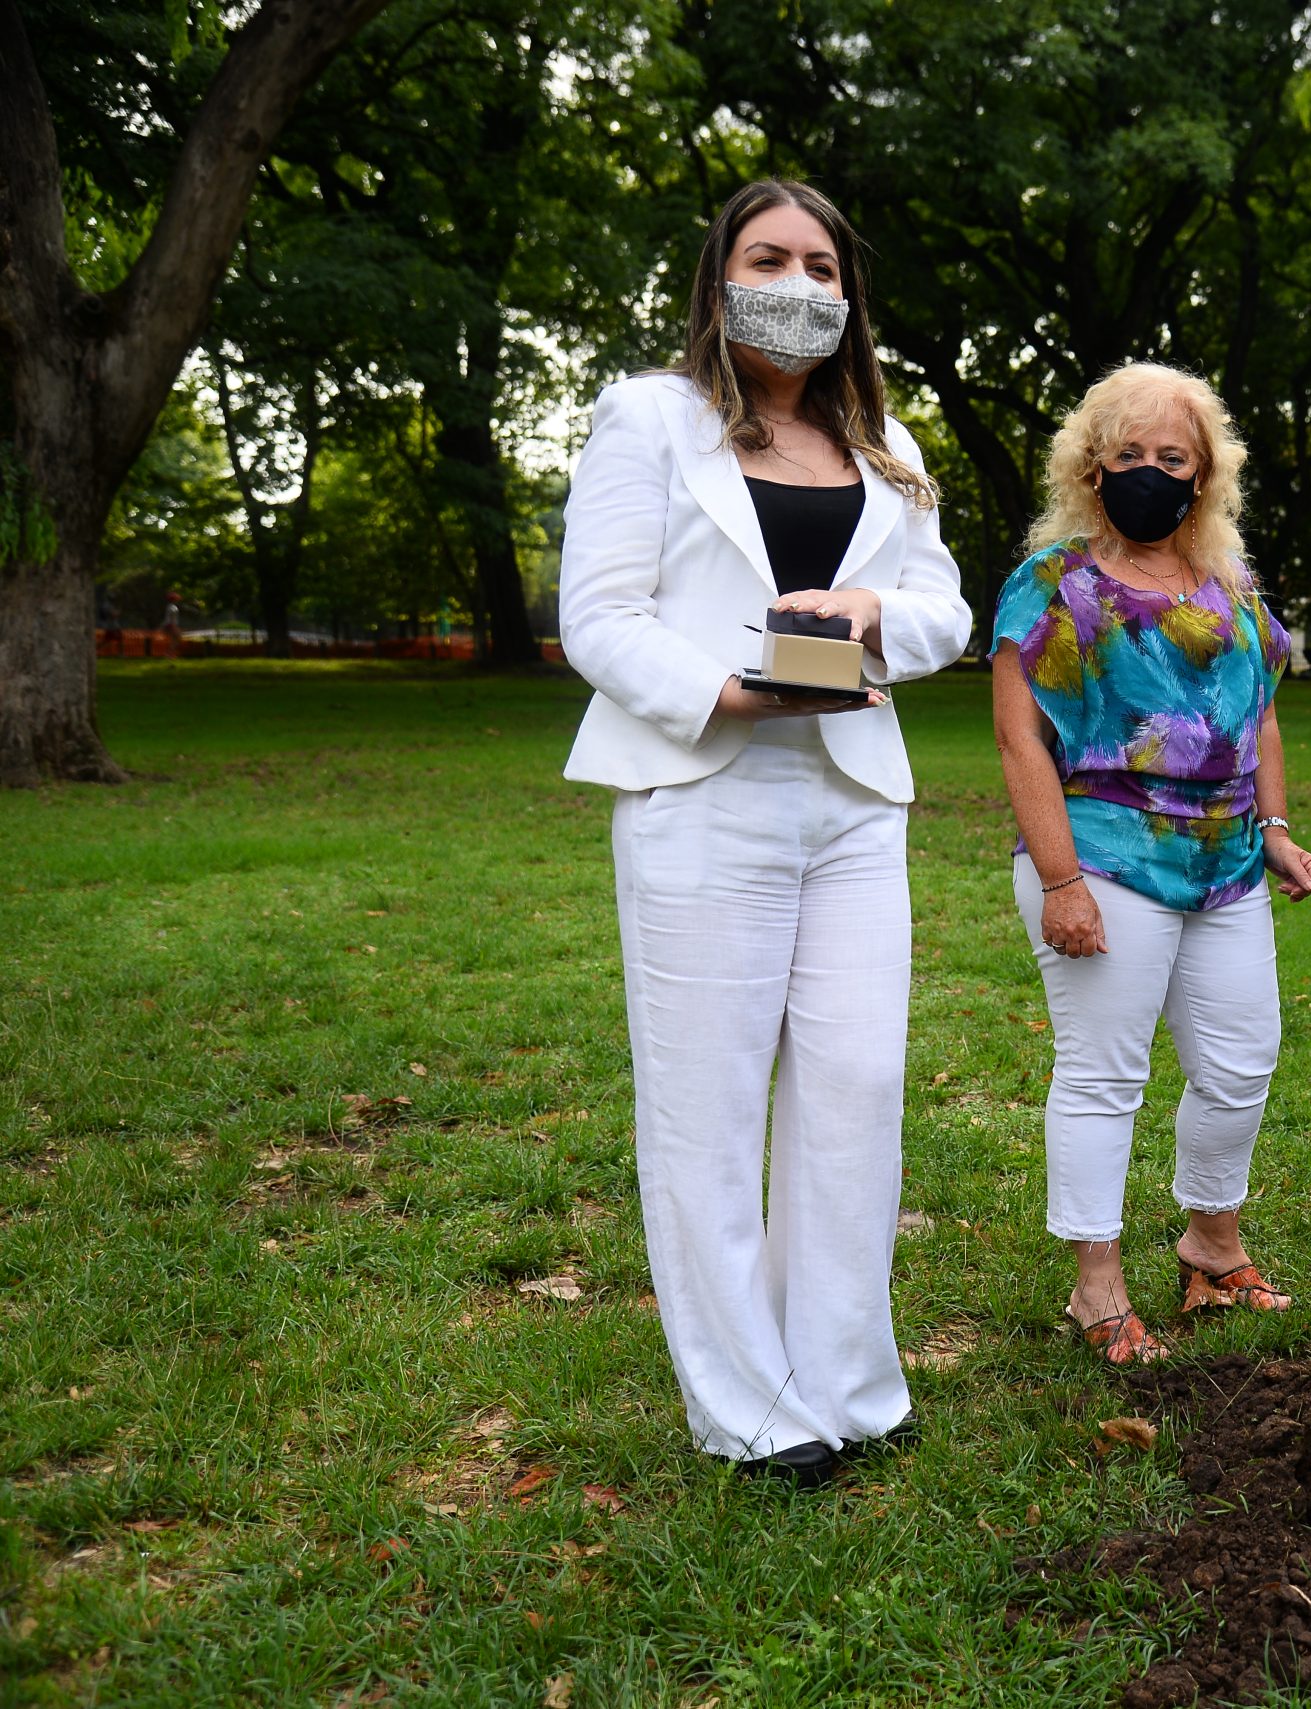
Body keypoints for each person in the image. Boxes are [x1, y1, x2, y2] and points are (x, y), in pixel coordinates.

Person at [558, 179, 972, 1484]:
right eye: (766, 257)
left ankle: (845, 1374)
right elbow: (601, 615)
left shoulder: (886, 441)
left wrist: (865, 621)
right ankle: (745, 1405)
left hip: (849, 800)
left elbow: (944, 612)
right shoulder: (651, 419)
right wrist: (731, 689)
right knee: (710, 1103)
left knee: (854, 1088)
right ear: (719, 275)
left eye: (818, 264)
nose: (794, 283)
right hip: (705, 789)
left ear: (848, 295)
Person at [992, 362, 1311, 1367]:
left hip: (1226, 865)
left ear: (1204, 470)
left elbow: (1257, 708)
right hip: (1102, 856)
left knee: (1239, 1064)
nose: (1148, 472)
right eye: (1126, 454)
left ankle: (1211, 1245)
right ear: (1090, 469)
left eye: (1169, 456)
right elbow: (1018, 741)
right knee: (1104, 1073)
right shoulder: (1050, 585)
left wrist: (1274, 826)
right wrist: (1058, 881)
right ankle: (1096, 1285)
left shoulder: (1230, 581)